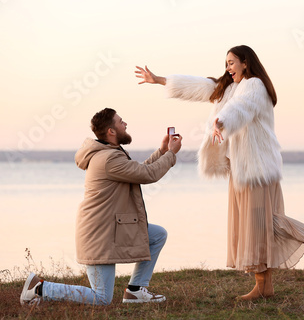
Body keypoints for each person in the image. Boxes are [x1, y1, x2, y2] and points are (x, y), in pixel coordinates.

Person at [135, 45, 304, 301]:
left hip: (256, 167)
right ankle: (264, 288)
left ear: (245, 63)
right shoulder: (230, 87)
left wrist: (221, 122)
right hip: (242, 167)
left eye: (231, 63)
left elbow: (241, 108)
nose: (228, 68)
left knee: (259, 224)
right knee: (255, 226)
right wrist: (159, 80)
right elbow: (199, 86)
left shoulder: (254, 86)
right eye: (226, 63)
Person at [20, 108, 182, 305]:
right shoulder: (109, 159)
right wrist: (171, 154)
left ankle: (135, 290)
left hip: (110, 229)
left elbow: (139, 171)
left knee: (157, 235)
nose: (125, 124)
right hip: (100, 234)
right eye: (121, 121)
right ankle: (39, 288)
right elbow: (147, 175)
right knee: (101, 298)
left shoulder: (109, 154)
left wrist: (163, 152)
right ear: (111, 131)